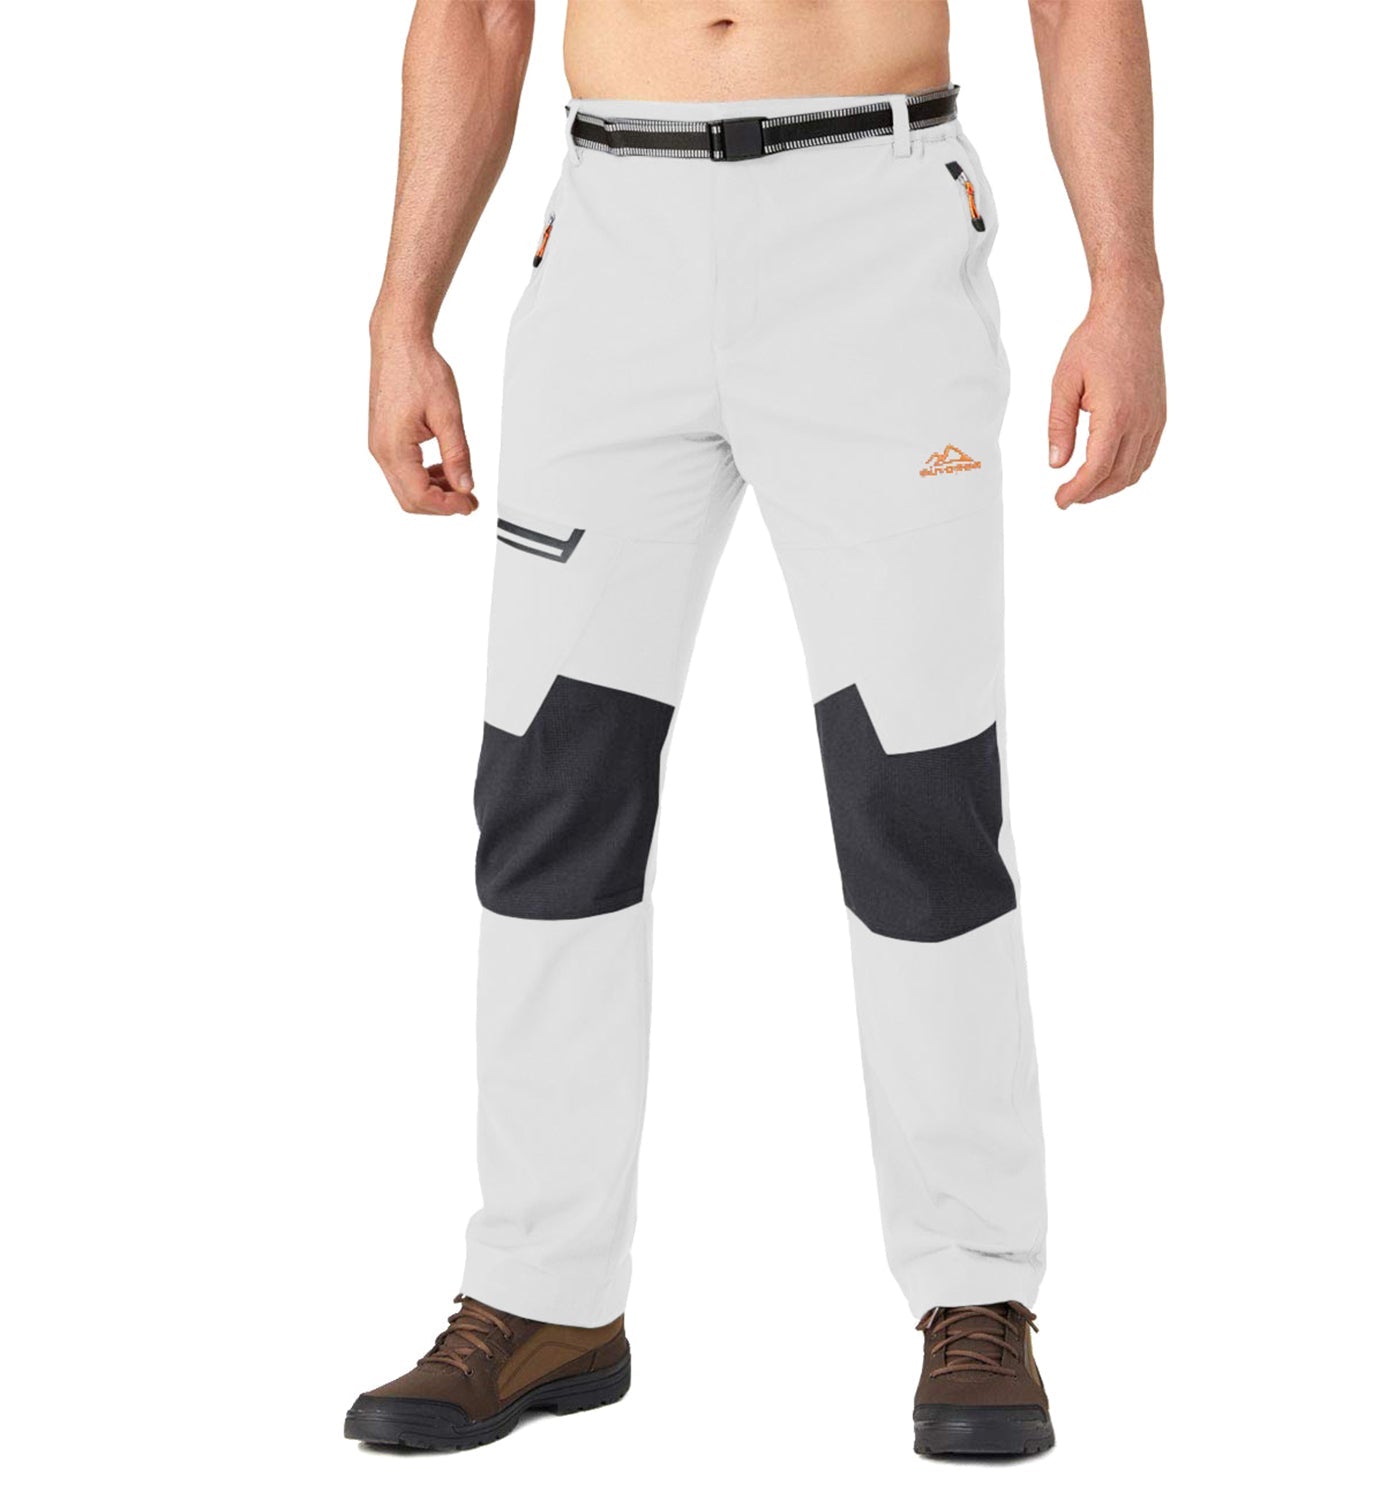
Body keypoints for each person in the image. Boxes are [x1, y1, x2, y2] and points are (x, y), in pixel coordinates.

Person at [349, 0, 1165, 1459]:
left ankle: (975, 1288)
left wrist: (1128, 289)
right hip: (615, 232)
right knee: (550, 775)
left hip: (876, 224)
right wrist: (401, 315)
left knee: (919, 782)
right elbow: (474, 13)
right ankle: (543, 1293)